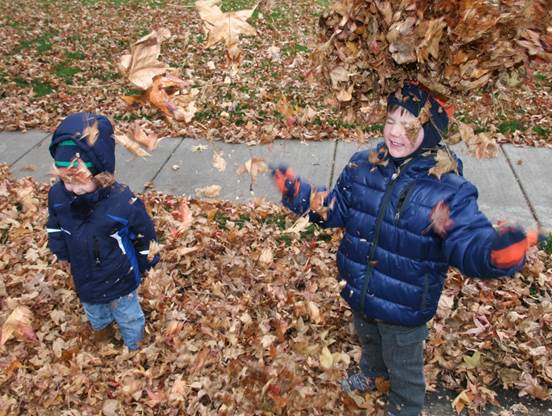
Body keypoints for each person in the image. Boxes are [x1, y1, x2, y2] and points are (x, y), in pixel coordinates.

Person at [271, 82, 542, 416]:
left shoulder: (446, 189)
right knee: (369, 339)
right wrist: (302, 195)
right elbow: (336, 208)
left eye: (408, 124)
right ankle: (372, 373)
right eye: (390, 120)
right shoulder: (363, 166)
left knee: (404, 366)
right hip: (361, 287)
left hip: (405, 305)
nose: (395, 132)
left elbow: (466, 239)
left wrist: (492, 254)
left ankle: (404, 407)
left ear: (429, 130)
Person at [46, 112, 159, 350]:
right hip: (85, 276)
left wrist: (147, 260)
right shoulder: (58, 197)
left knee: (128, 316)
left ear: (101, 172)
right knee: (96, 313)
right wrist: (60, 251)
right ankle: (104, 338)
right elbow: (55, 225)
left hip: (120, 276)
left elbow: (144, 234)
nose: (73, 189)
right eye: (66, 181)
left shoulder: (122, 202)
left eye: (79, 181)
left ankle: (135, 346)